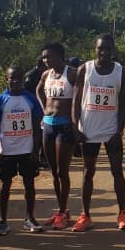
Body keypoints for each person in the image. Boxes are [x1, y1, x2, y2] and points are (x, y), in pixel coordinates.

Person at [72, 33, 125, 232]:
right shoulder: (85, 69)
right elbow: (76, 101)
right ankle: (85, 216)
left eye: (107, 48)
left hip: (111, 131)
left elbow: (124, 103)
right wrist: (75, 126)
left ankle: (122, 213)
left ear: (113, 50)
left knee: (117, 171)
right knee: (88, 172)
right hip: (88, 131)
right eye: (100, 48)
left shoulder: (121, 72)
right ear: (94, 49)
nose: (104, 52)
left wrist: (119, 130)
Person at [0, 65, 44, 235]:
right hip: (7, 150)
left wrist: (36, 150)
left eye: (19, 78)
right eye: (12, 78)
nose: (15, 81)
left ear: (23, 80)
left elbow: (37, 127)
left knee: (29, 184)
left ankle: (30, 218)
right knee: (5, 185)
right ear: (6, 79)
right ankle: (2, 221)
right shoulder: (0, 100)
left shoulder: (31, 99)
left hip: (27, 149)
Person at [36, 43, 77, 230]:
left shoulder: (72, 74)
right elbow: (38, 91)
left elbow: (81, 97)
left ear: (60, 56)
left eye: (49, 56)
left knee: (62, 172)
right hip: (48, 125)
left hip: (64, 126)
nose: (46, 60)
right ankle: (62, 210)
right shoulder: (46, 75)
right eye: (44, 57)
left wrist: (74, 119)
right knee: (53, 172)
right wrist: (43, 107)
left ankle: (62, 211)